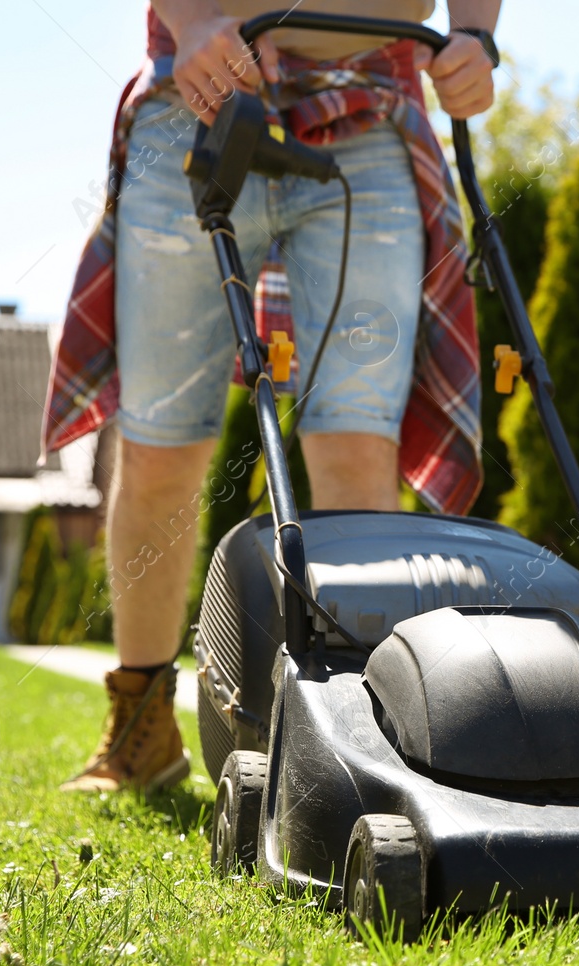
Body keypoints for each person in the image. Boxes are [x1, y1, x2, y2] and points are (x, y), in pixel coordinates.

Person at [45, 0, 500, 792]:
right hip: (200, 100)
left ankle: (367, 738)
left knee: (358, 447)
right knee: (160, 448)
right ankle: (142, 725)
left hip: (372, 115)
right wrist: (188, 27)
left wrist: (477, 36)